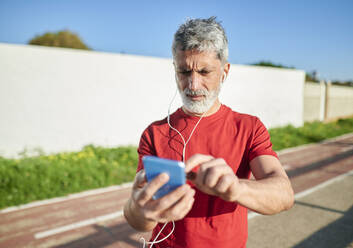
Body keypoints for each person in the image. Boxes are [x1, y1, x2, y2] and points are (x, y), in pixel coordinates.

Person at [123, 17, 294, 248]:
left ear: (224, 72)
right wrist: (141, 210)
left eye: (204, 72)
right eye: (184, 71)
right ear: (175, 70)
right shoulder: (155, 133)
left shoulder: (249, 127)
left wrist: (236, 188)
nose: (193, 85)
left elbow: (284, 194)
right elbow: (138, 222)